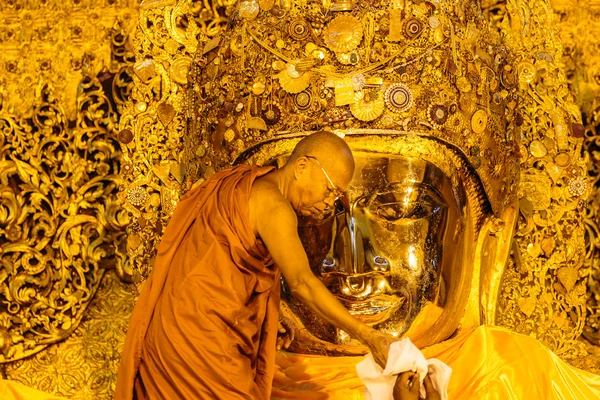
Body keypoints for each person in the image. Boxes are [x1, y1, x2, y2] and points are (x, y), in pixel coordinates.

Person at [114, 131, 399, 399]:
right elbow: (301, 283)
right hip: (203, 343)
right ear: (301, 167)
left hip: (171, 331)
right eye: (329, 189)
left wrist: (270, 316)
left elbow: (226, 268)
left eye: (335, 197)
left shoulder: (245, 184)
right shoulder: (275, 207)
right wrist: (367, 335)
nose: (328, 203)